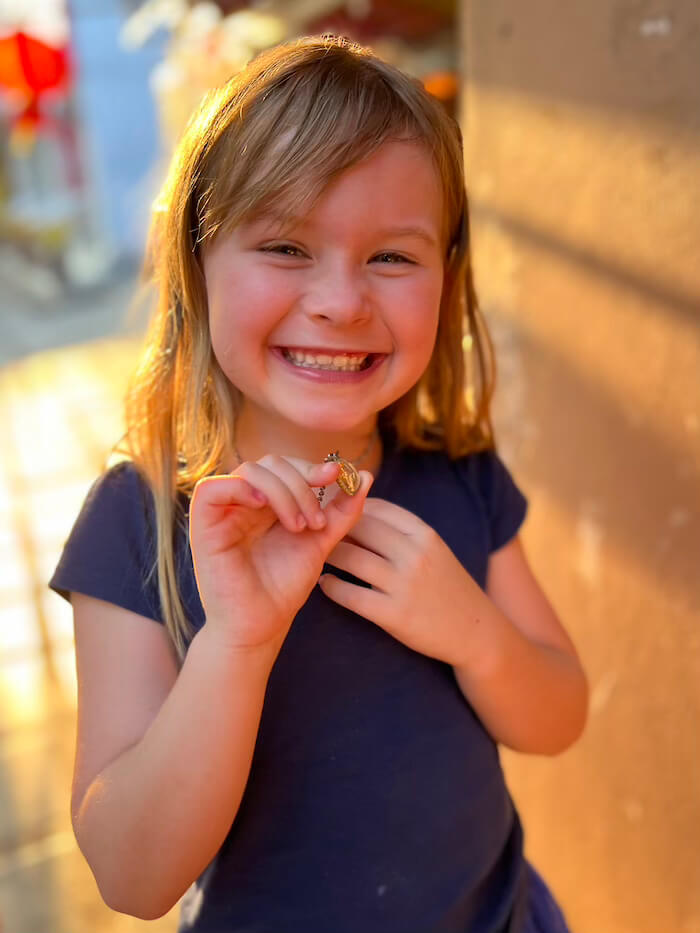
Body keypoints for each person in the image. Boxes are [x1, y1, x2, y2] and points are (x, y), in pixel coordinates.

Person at [50, 35, 588, 933]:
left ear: (446, 283)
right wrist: (239, 643)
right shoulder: (137, 522)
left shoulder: (460, 476)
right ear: (199, 264)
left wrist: (474, 631)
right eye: (287, 246)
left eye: (391, 257)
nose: (341, 300)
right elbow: (131, 877)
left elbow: (559, 713)